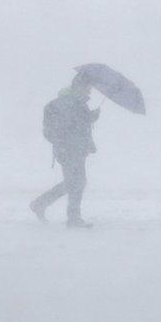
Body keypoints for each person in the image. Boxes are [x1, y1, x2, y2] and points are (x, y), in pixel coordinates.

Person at [30, 73, 100, 228]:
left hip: (67, 150)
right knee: (77, 182)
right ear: (80, 87)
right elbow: (73, 126)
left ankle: (41, 204)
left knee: (73, 182)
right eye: (88, 89)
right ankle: (72, 218)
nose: (90, 92)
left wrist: (91, 117)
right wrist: (88, 119)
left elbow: (71, 124)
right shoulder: (74, 104)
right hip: (72, 150)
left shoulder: (63, 104)